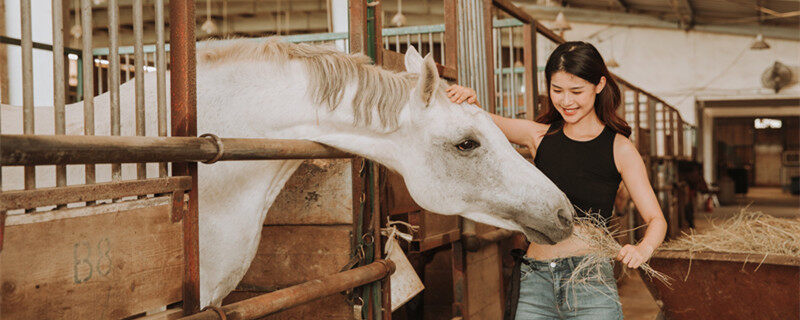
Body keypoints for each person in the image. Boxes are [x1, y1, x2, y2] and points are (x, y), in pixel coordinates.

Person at [445, 41, 667, 319]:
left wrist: (643, 248)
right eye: (557, 90)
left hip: (590, 282)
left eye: (577, 91)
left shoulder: (620, 149)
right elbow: (480, 121)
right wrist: (468, 99)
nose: (566, 101)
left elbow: (657, 220)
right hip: (536, 280)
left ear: (599, 85)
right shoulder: (538, 136)